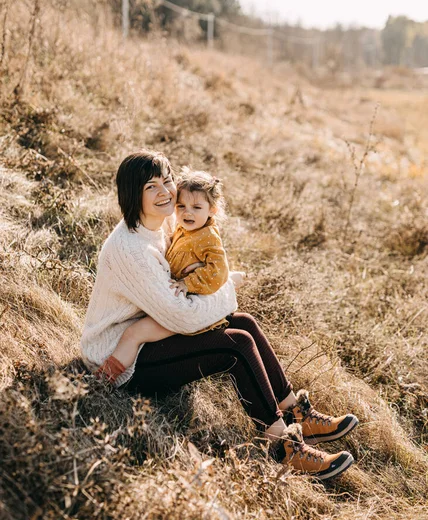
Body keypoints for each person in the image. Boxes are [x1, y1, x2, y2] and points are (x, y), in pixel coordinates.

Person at [81, 149, 359, 480]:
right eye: (150, 187)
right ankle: (283, 447)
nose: (165, 192)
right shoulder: (129, 249)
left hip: (149, 333)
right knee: (235, 346)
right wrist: (227, 287)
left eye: (167, 181)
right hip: (123, 361)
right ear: (132, 195)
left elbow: (183, 294)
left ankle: (295, 412)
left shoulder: (167, 220)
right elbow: (181, 316)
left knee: (244, 323)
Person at [95, 167, 245, 383]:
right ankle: (103, 380)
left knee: (135, 334)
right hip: (172, 305)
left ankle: (294, 407)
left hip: (190, 298)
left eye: (196, 207)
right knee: (133, 335)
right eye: (181, 206)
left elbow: (218, 271)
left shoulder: (206, 237)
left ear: (212, 210)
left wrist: (192, 281)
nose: (187, 213)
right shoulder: (179, 228)